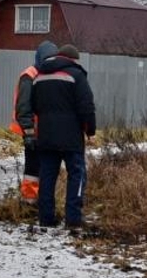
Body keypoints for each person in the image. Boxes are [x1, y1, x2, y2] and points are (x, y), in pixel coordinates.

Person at [30, 43, 97, 232]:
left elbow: (34, 105)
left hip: (46, 136)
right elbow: (86, 106)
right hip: (71, 138)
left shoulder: (39, 77)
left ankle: (46, 218)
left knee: (47, 176)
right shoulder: (76, 75)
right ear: (72, 59)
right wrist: (90, 130)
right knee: (77, 175)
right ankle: (73, 220)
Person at [11, 41, 58, 205]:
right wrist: (29, 132)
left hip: (42, 131)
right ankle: (29, 201)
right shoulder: (29, 76)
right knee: (33, 168)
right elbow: (23, 107)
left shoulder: (42, 74)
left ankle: (36, 200)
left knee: (40, 168)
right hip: (32, 131)